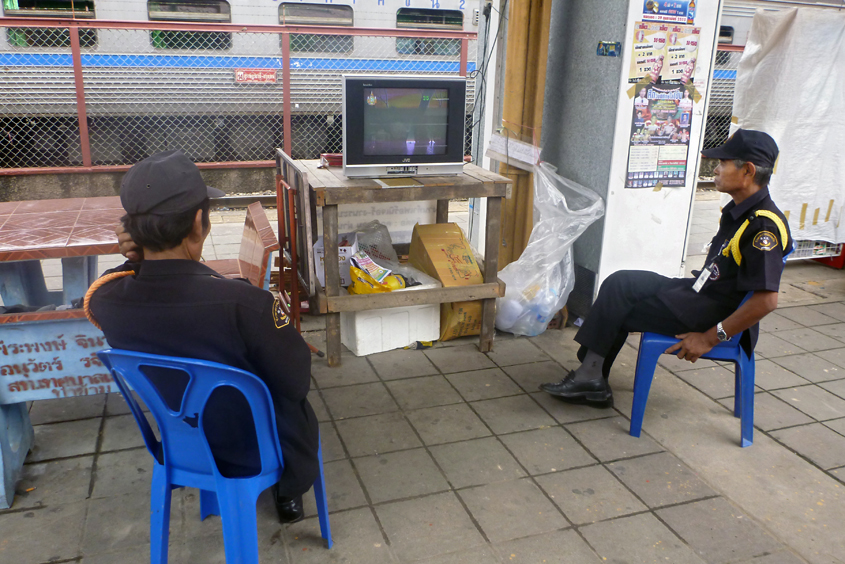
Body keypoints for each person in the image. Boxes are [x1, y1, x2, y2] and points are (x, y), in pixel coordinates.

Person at [86, 150, 319, 523]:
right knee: (291, 401)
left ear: (131, 231)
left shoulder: (105, 300)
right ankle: (290, 490)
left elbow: (106, 287)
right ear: (199, 223)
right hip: (254, 448)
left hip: (181, 444)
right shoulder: (246, 303)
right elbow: (295, 382)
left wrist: (134, 261)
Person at [540, 129, 792, 406]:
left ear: (748, 171)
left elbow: (766, 301)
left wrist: (709, 338)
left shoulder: (762, 227)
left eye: (723, 163)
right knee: (620, 283)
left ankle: (590, 378)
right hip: (700, 294)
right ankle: (591, 375)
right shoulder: (740, 211)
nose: (716, 169)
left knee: (619, 305)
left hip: (714, 314)